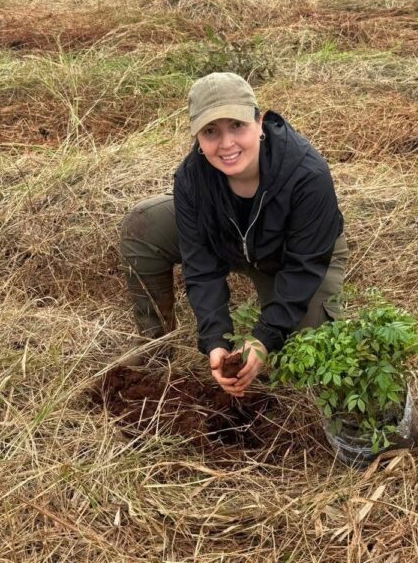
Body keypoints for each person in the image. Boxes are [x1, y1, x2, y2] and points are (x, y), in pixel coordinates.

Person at [119, 72, 347, 397]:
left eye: (237, 126)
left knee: (313, 356)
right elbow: (200, 266)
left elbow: (305, 266)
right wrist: (215, 340)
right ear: (197, 136)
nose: (226, 144)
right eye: (211, 131)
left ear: (260, 121)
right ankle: (157, 350)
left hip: (292, 257)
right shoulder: (192, 179)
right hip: (228, 242)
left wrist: (264, 338)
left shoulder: (306, 174)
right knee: (143, 225)